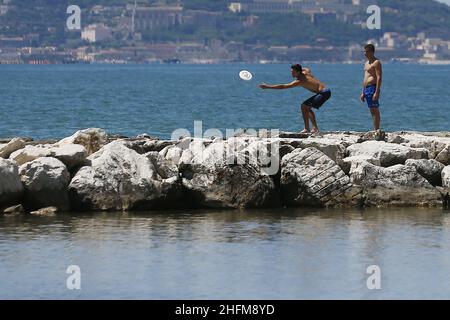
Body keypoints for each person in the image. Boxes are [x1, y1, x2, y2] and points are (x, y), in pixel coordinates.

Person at [259, 64, 331, 134]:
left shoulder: (300, 81)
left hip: (323, 93)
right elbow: (307, 69)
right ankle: (313, 128)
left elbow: (283, 86)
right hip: (326, 91)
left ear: (298, 72)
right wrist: (300, 68)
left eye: (293, 72)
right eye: (291, 71)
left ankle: (309, 128)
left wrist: (268, 87)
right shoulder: (306, 73)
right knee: (306, 107)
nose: (291, 73)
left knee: (304, 106)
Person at [361, 44, 383, 131]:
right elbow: (365, 77)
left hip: (372, 88)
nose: (364, 53)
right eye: (364, 51)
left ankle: (376, 130)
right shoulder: (366, 63)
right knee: (371, 110)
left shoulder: (376, 62)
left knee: (375, 110)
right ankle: (375, 129)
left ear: (371, 52)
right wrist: (363, 92)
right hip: (366, 88)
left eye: (366, 51)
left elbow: (379, 77)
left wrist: (377, 92)